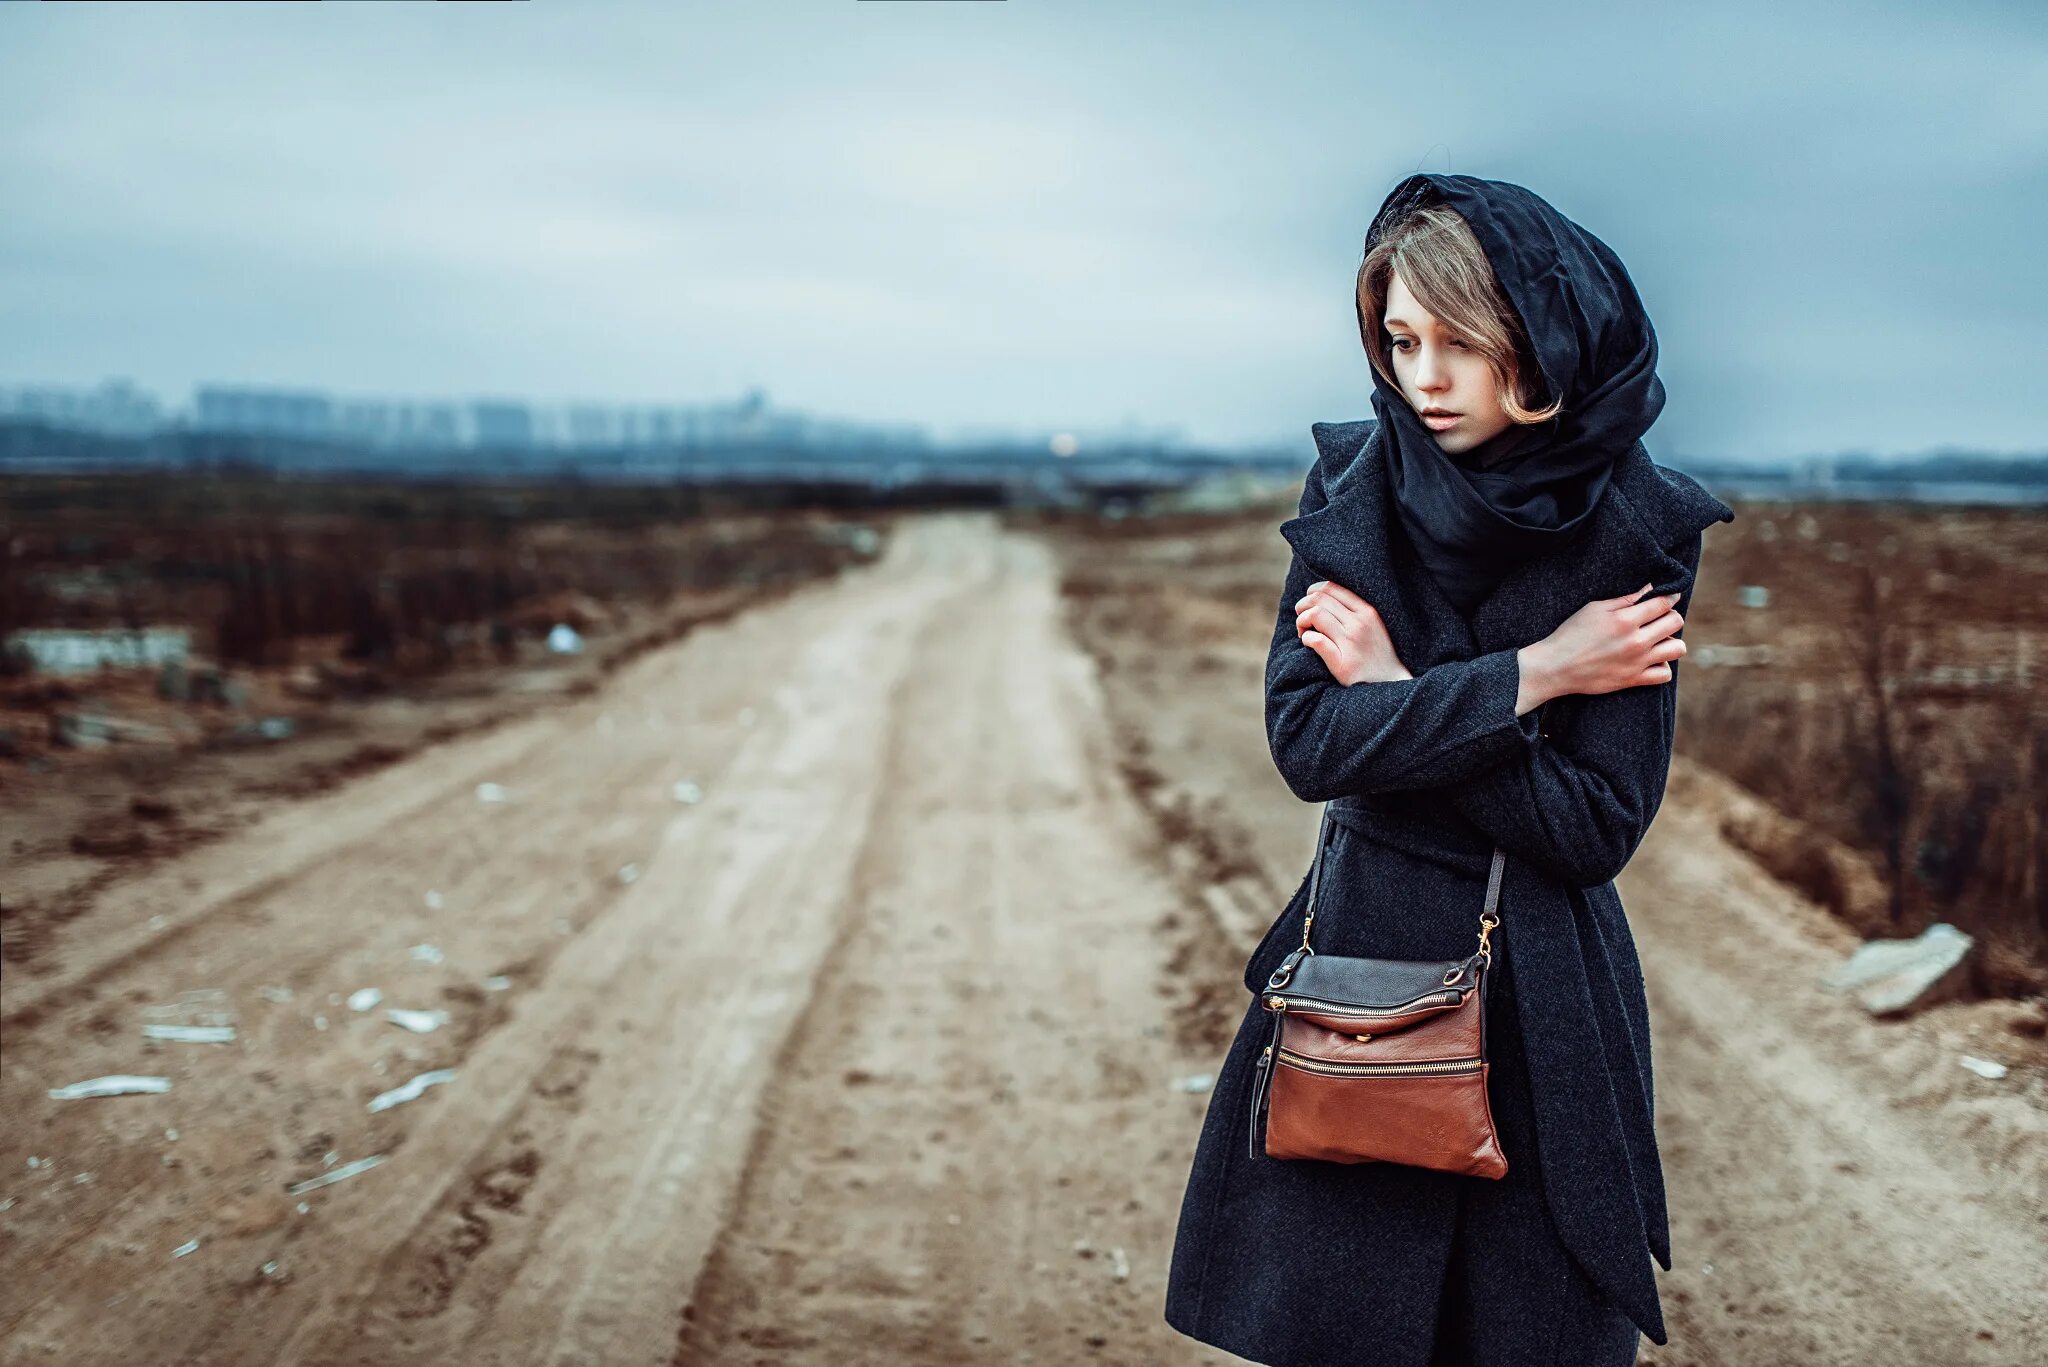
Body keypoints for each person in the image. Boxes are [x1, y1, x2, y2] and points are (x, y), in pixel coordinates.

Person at [1162, 173, 1735, 1367]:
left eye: (1458, 344)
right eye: (1399, 340)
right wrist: (1532, 674)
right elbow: (1309, 743)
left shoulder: (1636, 528)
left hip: (1542, 1012)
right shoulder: (1353, 488)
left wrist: (1393, 697)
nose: (1422, 379)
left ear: (1537, 338)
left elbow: (1590, 827)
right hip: (1358, 983)